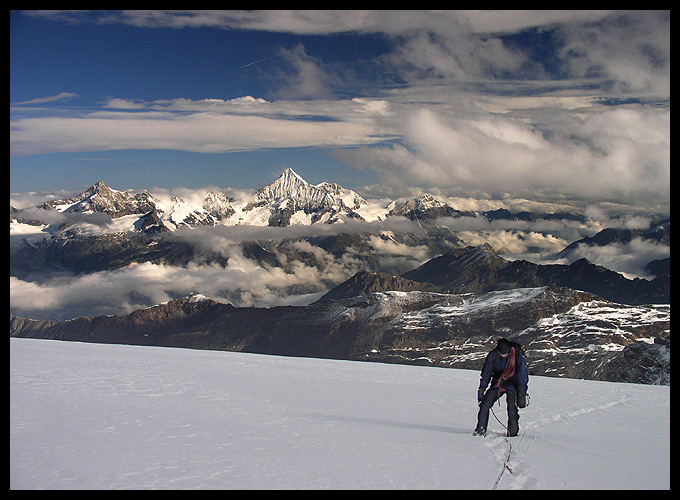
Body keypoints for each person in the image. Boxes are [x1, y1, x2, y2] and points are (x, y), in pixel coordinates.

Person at [473, 338, 529, 437]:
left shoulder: (517, 355)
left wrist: (522, 393)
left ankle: (512, 432)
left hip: (512, 384)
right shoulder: (493, 355)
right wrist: (482, 389)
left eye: (505, 353)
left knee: (512, 408)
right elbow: (486, 373)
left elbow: (522, 376)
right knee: (484, 405)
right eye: (501, 353)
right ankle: (480, 429)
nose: (503, 355)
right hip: (497, 384)